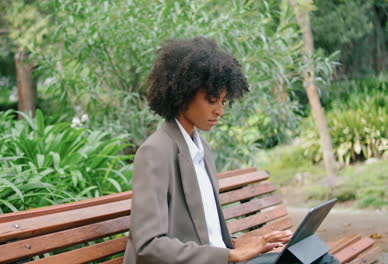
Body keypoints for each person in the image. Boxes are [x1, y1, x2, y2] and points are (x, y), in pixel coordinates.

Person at [123, 37, 339, 264]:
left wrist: (242, 243)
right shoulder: (155, 152)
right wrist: (231, 254)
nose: (219, 111)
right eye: (211, 100)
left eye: (223, 101)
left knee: (319, 257)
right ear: (183, 94)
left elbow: (208, 234)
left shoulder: (202, 150)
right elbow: (148, 245)